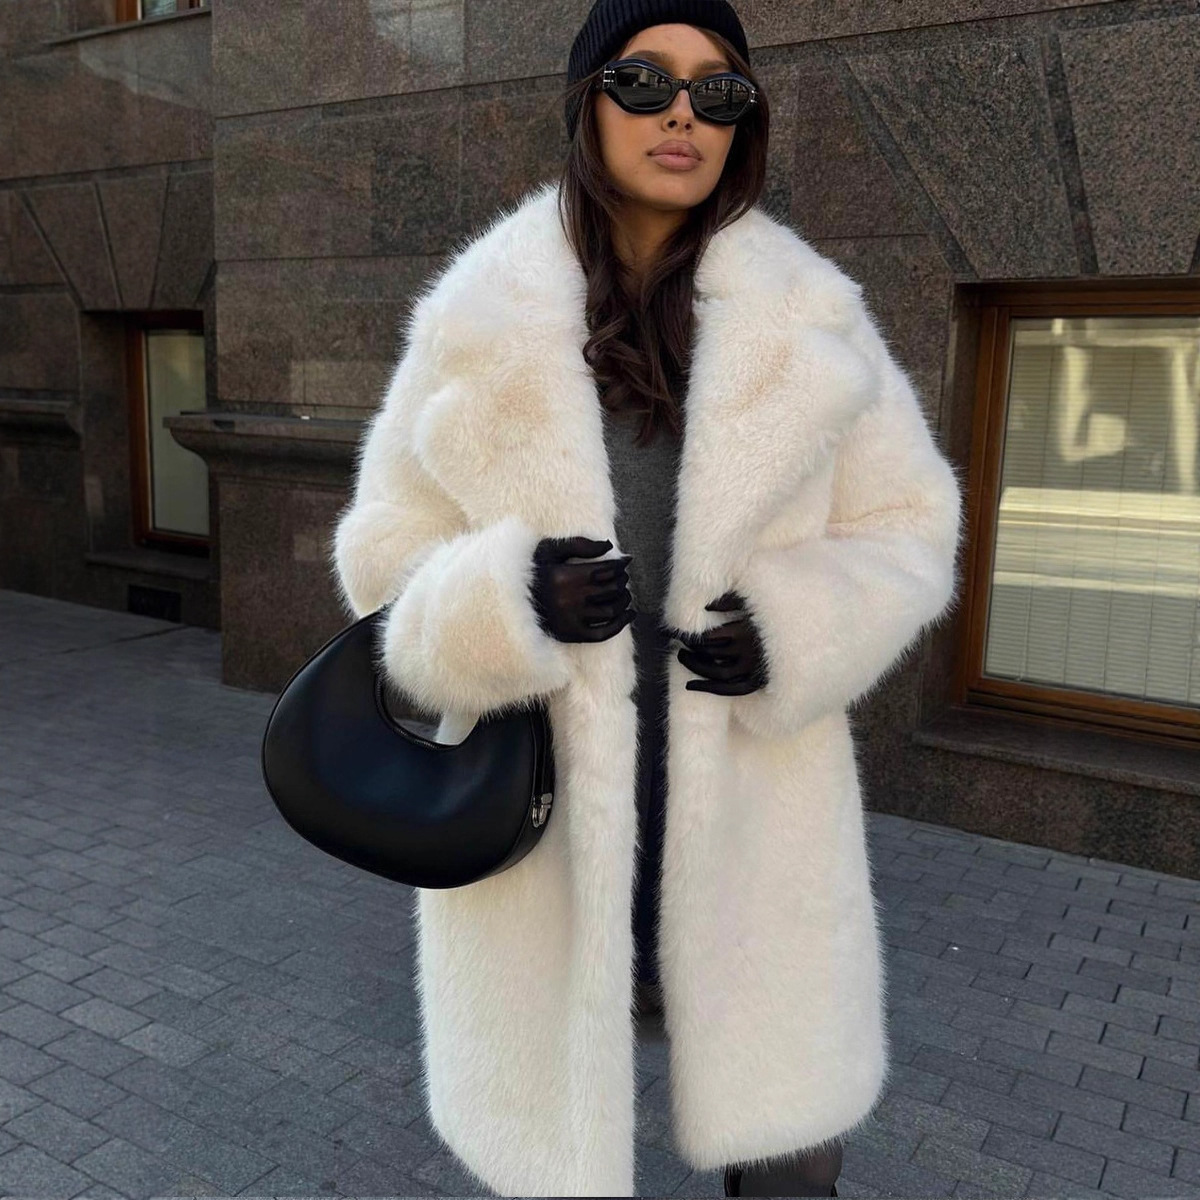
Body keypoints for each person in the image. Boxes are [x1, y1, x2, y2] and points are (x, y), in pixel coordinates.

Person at [329, 0, 964, 1195]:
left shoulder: (813, 316)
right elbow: (385, 551)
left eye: (719, 93)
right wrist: (503, 598)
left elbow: (910, 525)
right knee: (553, 1153)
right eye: (644, 81)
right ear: (588, 103)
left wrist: (795, 629)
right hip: (539, 830)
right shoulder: (478, 317)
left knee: (789, 1163)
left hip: (761, 834)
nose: (683, 114)